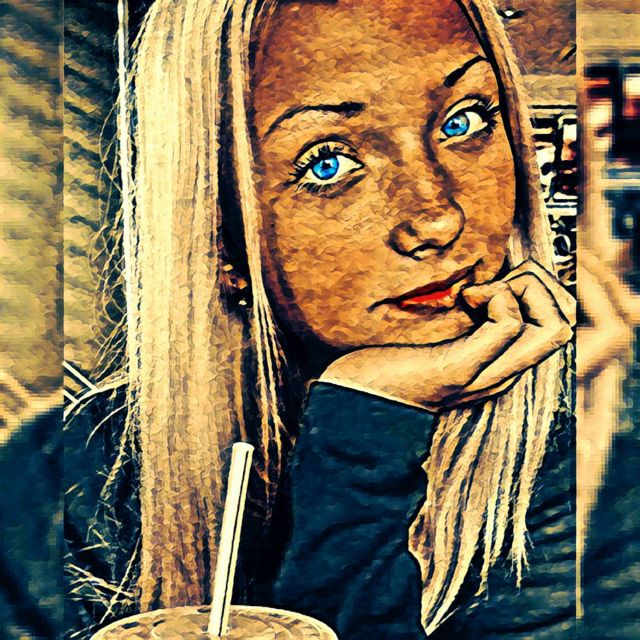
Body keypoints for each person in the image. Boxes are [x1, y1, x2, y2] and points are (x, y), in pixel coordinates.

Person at [64, 0, 576, 638]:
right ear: (220, 238)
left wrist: (365, 420)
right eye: (327, 163)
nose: (437, 218)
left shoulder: (598, 457)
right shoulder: (80, 469)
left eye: (464, 120)